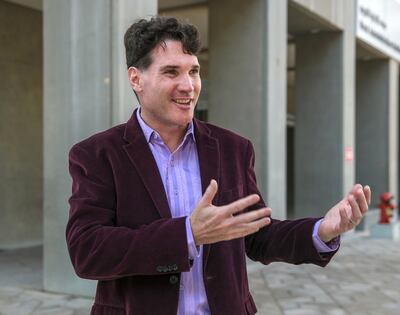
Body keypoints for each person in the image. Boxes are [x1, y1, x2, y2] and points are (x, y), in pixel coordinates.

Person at [66, 16, 371, 315]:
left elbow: (257, 236)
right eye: (172, 72)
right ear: (136, 78)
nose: (188, 86)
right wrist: (187, 234)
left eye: (194, 71)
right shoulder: (96, 154)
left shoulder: (232, 149)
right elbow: (87, 251)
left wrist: (322, 230)